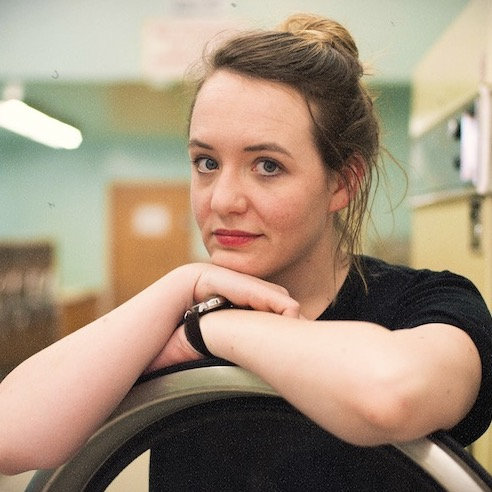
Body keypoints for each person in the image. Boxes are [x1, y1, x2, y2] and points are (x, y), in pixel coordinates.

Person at [0, 12, 491, 477]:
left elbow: (391, 395)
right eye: (206, 163)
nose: (223, 200)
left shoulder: (429, 304)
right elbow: (11, 434)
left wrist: (208, 331)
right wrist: (184, 284)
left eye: (267, 166)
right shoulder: (172, 307)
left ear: (342, 182)